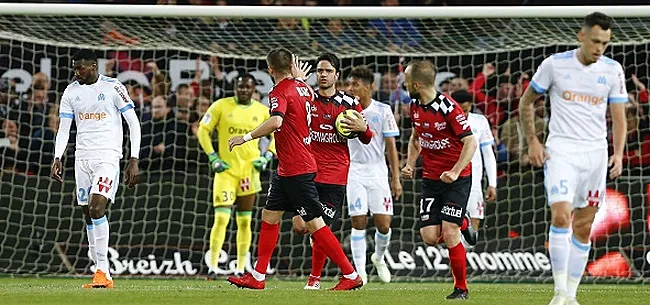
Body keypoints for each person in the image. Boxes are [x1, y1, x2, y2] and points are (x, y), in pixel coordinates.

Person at [226, 48, 362, 291]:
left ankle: (350, 274)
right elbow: (298, 94)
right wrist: (297, 78)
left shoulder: (279, 91)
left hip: (298, 167)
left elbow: (277, 120)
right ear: (291, 67)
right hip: (287, 168)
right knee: (269, 215)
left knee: (315, 225)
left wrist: (245, 137)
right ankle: (258, 276)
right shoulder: (305, 88)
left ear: (269, 70)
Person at [518, 12, 627, 305]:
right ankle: (559, 293)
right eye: (594, 41)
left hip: (595, 154)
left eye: (605, 43)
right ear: (581, 36)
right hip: (561, 150)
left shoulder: (613, 70)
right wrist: (532, 141)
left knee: (583, 225)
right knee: (561, 215)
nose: (599, 48)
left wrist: (617, 152)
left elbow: (619, 117)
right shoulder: (554, 65)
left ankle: (572, 295)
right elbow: (526, 101)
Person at [51, 49, 141, 289]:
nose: (75, 72)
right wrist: (57, 156)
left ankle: (103, 269)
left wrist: (134, 158)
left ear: (93, 66)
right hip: (82, 159)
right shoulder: (71, 91)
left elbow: (133, 122)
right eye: (74, 67)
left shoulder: (113, 87)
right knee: (87, 214)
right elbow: (64, 128)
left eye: (79, 67)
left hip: (107, 157)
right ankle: (99, 270)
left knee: (96, 207)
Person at [290, 53, 372, 290]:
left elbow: (367, 138)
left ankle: (315, 280)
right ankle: (346, 274)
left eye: (327, 71)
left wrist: (362, 128)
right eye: (319, 71)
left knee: (318, 230)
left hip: (335, 175)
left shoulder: (349, 103)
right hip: (308, 172)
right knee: (299, 226)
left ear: (337, 74)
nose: (323, 75)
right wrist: (296, 82)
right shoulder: (306, 98)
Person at [401, 60, 477, 300]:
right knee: (430, 238)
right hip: (431, 179)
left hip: (457, 178)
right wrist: (411, 163)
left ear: (415, 84)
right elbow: (416, 138)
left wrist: (455, 170)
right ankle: (463, 222)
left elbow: (470, 142)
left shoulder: (448, 108)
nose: (404, 85)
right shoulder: (414, 106)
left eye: (405, 82)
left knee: (449, 231)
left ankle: (461, 289)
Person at [197, 74, 274, 278]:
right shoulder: (220, 106)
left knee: (244, 221)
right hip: (226, 171)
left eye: (247, 87)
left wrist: (267, 156)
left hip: (249, 172)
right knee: (221, 218)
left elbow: (278, 134)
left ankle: (241, 267)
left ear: (253, 89)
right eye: (240, 87)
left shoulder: (262, 111)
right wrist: (213, 156)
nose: (243, 91)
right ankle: (212, 266)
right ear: (235, 88)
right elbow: (203, 130)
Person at [345, 65, 402, 284]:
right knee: (358, 222)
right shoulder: (345, 111)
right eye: (350, 84)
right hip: (354, 172)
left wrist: (395, 178)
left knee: (384, 224)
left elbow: (391, 146)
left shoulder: (383, 110)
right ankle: (360, 273)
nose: (351, 88)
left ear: (369, 87)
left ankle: (378, 258)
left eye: (356, 85)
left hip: (378, 172)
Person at [452, 90, 497, 231]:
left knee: (474, 222)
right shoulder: (443, 122)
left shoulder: (480, 122)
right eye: (459, 110)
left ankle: (466, 252)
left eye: (465, 110)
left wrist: (492, 183)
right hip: (450, 180)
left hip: (474, 181)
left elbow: (488, 154)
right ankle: (453, 252)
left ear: (471, 106)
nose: (462, 114)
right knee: (451, 223)